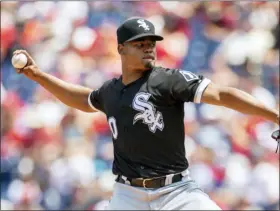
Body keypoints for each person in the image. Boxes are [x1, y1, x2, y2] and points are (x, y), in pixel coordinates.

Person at [13, 17, 279, 210]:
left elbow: (221, 94)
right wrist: (37, 75)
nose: (148, 47)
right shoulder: (111, 91)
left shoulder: (166, 80)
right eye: (139, 43)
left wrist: (276, 115)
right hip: (127, 195)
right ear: (120, 49)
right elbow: (82, 98)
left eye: (151, 42)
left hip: (177, 192)